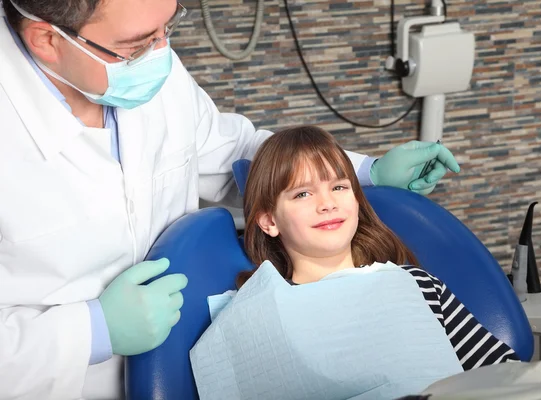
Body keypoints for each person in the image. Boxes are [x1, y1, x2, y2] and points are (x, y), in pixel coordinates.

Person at [0, 0, 461, 398]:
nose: (162, 53)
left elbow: (225, 150)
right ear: (47, 39)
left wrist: (363, 172)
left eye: (169, 27)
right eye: (139, 44)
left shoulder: (135, 57)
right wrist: (91, 332)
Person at [237, 125, 520, 375]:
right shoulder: (262, 318)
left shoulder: (419, 288)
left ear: (357, 201)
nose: (328, 203)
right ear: (269, 221)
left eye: (339, 187)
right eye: (303, 193)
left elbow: (505, 376)